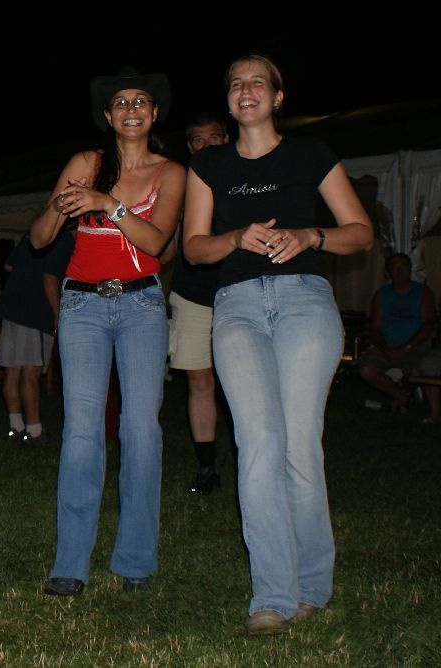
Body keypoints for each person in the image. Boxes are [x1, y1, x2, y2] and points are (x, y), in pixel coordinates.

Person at [184, 54, 373, 635]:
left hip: (304, 303)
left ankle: (312, 584)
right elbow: (193, 249)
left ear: (278, 96)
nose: (246, 90)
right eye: (236, 83)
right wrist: (236, 236)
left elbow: (360, 232)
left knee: (297, 446)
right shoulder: (208, 164)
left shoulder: (310, 154)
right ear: (229, 99)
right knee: (259, 443)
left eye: (257, 82)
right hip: (237, 306)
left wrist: (310, 234)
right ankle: (271, 593)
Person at [29, 67, 186, 596]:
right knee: (81, 431)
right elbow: (38, 236)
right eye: (121, 102)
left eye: (142, 100)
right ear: (108, 116)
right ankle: (70, 562)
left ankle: (135, 560)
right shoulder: (86, 163)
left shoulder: (172, 172)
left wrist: (107, 205)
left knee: (142, 431)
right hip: (82, 306)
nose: (132, 109)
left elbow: (157, 243)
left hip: (141, 304)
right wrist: (58, 209)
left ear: (155, 113)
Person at [168, 113, 231, 494]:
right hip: (193, 294)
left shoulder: (246, 181)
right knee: (200, 378)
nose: (205, 146)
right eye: (197, 140)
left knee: (241, 382)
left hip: (239, 291)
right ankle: (206, 468)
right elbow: (168, 249)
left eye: (213, 139)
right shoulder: (181, 186)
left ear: (227, 140)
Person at [0, 234, 61, 444]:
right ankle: (34, 430)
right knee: (31, 371)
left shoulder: (31, 235)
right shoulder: (58, 239)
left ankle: (16, 427)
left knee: (13, 370)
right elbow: (50, 279)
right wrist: (58, 316)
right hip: (32, 312)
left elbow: (9, 266)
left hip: (11, 309)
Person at [358, 252, 441, 422]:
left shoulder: (423, 292)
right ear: (388, 272)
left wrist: (406, 348)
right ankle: (401, 396)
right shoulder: (382, 295)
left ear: (410, 269)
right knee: (366, 369)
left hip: (415, 346)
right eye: (395, 268)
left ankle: (435, 412)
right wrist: (385, 348)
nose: (400, 271)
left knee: (425, 368)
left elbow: (428, 324)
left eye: (404, 266)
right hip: (387, 346)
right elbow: (375, 327)